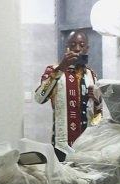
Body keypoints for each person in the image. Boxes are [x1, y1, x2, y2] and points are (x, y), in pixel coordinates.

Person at [34, 30, 102, 161]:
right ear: (67, 48)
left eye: (82, 45)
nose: (77, 49)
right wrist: (61, 68)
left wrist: (98, 102)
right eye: (73, 45)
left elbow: (98, 117)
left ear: (87, 49)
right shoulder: (53, 70)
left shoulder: (91, 75)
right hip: (61, 147)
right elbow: (39, 97)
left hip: (86, 147)